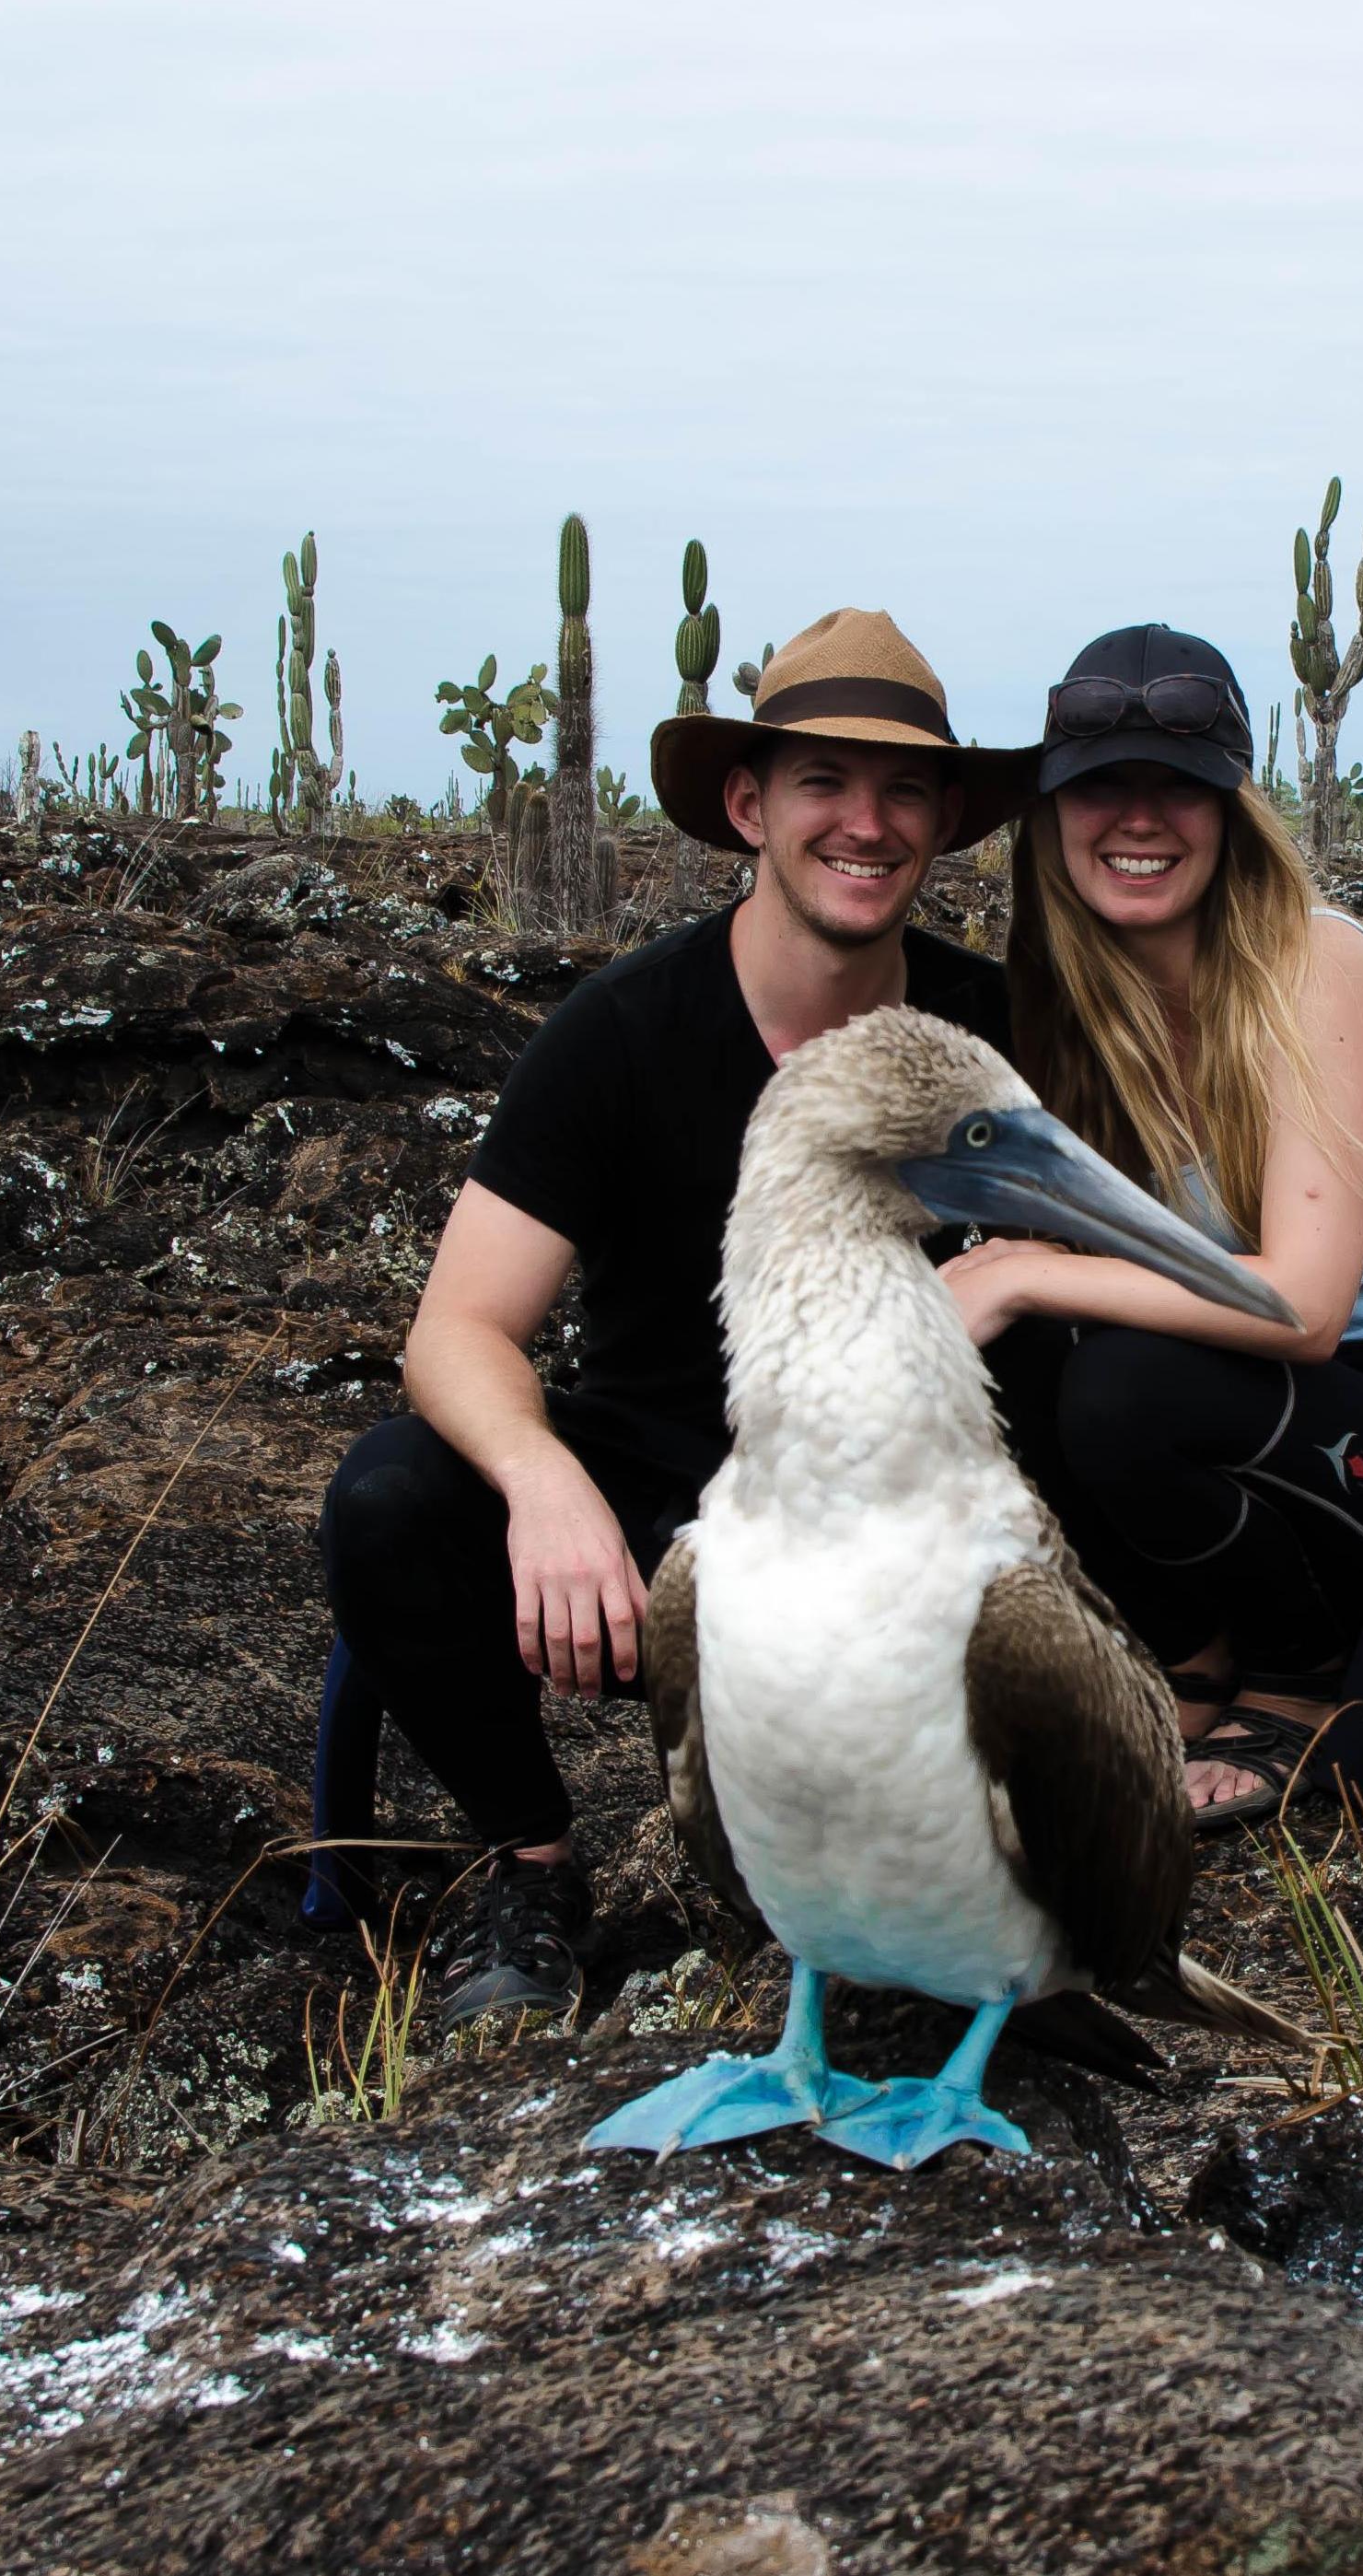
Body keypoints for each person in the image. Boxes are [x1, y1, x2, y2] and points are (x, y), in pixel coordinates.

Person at [320, 609, 1035, 2017]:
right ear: (747, 803)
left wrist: (1008, 1274)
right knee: (395, 1495)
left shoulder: (989, 1038)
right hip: (660, 1494)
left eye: (903, 790)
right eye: (823, 782)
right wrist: (543, 1485)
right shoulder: (620, 1029)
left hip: (889, 1525)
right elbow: (455, 1328)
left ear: (945, 820)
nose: (865, 822)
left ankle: (962, 1884)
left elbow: (1141, 1240)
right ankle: (525, 1865)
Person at [940, 624, 1363, 1828]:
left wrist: (1027, 1273)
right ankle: (1196, 1655)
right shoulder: (1083, 1004)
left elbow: (1300, 1301)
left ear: (1234, 806)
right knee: (1020, 1348)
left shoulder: (1312, 965)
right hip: (1280, 1419)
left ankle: (1291, 1672)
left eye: (1178, 785)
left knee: (1343, 1776)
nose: (1140, 818)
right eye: (1101, 786)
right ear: (1051, 814)